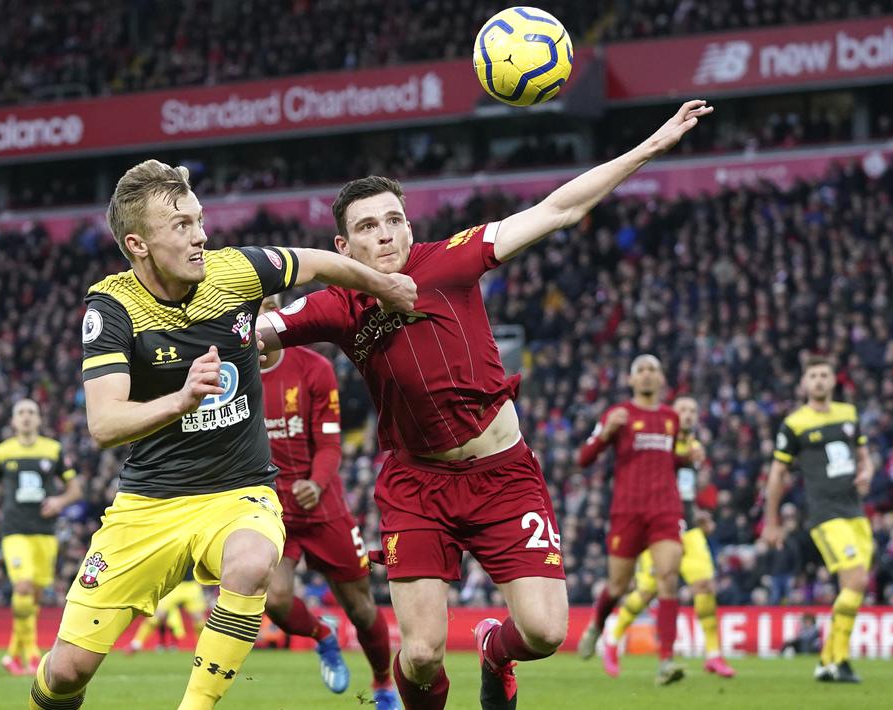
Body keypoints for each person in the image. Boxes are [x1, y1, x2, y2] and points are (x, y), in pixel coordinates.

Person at [260, 101, 712, 708]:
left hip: (503, 475)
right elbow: (258, 332)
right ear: (343, 245)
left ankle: (496, 653)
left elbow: (558, 209)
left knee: (545, 632)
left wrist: (648, 148)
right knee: (421, 656)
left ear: (410, 227)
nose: (385, 233)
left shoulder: (451, 259)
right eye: (367, 226)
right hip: (417, 485)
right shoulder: (336, 304)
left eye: (394, 220)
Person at [28, 159, 416, 710]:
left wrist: (384, 286)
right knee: (67, 672)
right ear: (138, 244)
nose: (201, 236)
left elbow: (319, 262)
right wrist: (182, 399)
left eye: (199, 220)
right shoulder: (111, 307)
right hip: (149, 503)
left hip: (240, 491)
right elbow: (104, 424)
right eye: (182, 226)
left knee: (252, 562)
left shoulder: (235, 271)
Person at [258, 296, 397, 709]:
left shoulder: (314, 368)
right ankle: (323, 634)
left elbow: (330, 443)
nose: (262, 314)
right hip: (271, 511)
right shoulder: (232, 375)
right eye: (253, 307)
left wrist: (316, 484)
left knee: (361, 607)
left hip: (323, 507)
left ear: (281, 312)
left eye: (270, 305)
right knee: (275, 601)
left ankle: (383, 683)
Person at [601, 396, 736, 678]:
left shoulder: (695, 447)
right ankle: (612, 641)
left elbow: (684, 489)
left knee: (705, 586)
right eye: (682, 410)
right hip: (659, 529)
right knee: (647, 592)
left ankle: (713, 655)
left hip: (689, 528)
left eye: (693, 410)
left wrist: (698, 512)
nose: (688, 414)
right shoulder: (659, 442)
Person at [576, 355, 687, 686]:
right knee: (618, 586)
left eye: (653, 370)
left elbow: (667, 459)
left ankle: (666, 661)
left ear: (662, 378)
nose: (647, 375)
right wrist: (606, 432)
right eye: (641, 370)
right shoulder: (619, 414)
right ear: (631, 380)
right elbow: (584, 458)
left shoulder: (671, 418)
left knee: (668, 577)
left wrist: (687, 459)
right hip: (627, 511)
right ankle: (597, 625)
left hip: (665, 509)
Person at [762, 356, 874, 684]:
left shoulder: (848, 414)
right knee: (856, 581)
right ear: (804, 383)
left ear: (833, 380)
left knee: (853, 588)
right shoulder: (795, 424)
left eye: (824, 375)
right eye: (813, 376)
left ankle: (828, 662)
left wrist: (867, 472)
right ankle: (839, 660)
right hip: (825, 515)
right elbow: (777, 473)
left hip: (855, 512)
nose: (820, 380)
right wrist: (771, 521)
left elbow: (864, 457)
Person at [0, 398, 84, 675]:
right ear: (13, 421)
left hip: (44, 532)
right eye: (21, 413)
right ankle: (32, 655)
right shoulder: (2, 452)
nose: (26, 417)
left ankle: (12, 653)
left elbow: (75, 489)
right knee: (23, 586)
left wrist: (60, 501)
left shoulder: (52, 449)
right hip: (14, 529)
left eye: (31, 412)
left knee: (34, 597)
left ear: (39, 419)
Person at [127, 574, 207, 652]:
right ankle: (136, 644)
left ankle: (202, 649)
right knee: (156, 618)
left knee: (199, 621)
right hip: (173, 586)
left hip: (191, 586)